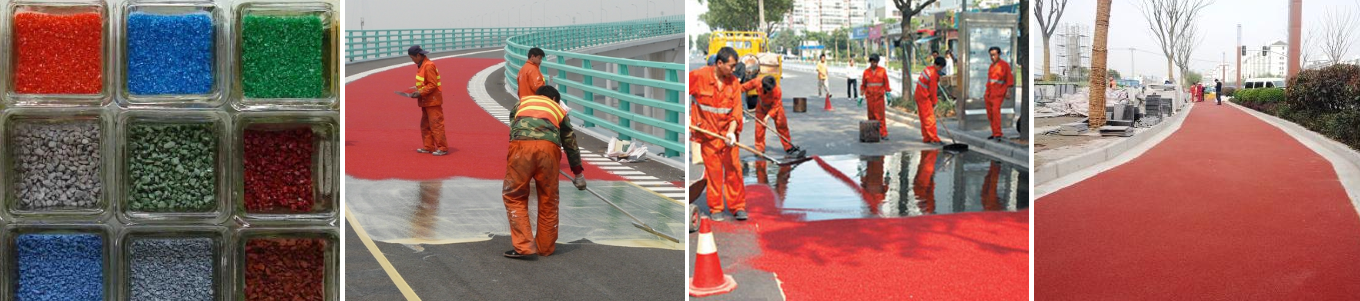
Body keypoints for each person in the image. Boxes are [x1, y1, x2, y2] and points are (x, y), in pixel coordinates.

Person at [501, 85, 586, 259]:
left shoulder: (522, 102)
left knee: (515, 195)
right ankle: (545, 247)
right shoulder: (558, 109)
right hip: (549, 149)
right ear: (555, 99)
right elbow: (570, 143)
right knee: (549, 198)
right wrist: (578, 174)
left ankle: (524, 247)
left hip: (521, 148)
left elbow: (514, 129)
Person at [691, 47, 747, 221]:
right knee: (714, 173)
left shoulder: (734, 83)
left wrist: (731, 132)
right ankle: (716, 208)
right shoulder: (699, 77)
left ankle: (738, 206)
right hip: (708, 135)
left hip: (728, 136)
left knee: (734, 171)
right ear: (719, 63)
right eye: (731, 66)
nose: (733, 70)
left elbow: (736, 111)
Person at [741, 75, 801, 155]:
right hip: (761, 106)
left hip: (775, 107)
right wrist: (734, 95)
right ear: (762, 86)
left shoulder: (777, 90)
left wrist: (768, 116)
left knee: (782, 125)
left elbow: (776, 106)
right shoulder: (757, 81)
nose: (770, 91)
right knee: (759, 128)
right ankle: (759, 149)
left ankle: (788, 147)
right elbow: (744, 87)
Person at [406, 45, 448, 156]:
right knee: (425, 125)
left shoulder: (428, 66)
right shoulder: (423, 65)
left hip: (432, 101)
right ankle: (428, 147)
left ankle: (442, 148)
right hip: (427, 100)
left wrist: (420, 92)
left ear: (418, 55)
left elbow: (432, 84)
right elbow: (426, 83)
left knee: (436, 124)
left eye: (412, 58)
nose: (412, 60)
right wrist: (417, 89)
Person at [913, 57, 947, 144]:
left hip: (919, 96)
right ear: (938, 66)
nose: (940, 70)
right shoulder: (933, 74)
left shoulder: (928, 69)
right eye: (941, 67)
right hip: (924, 97)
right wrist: (934, 102)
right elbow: (933, 91)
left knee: (924, 118)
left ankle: (927, 137)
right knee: (929, 118)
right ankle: (934, 138)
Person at [984, 47, 1014, 140]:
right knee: (990, 114)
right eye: (991, 55)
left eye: (994, 55)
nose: (992, 57)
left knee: (995, 113)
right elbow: (990, 80)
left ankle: (998, 133)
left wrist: (1008, 91)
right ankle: (994, 132)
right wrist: (986, 93)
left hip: (998, 93)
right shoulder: (991, 66)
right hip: (989, 93)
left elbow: (1009, 79)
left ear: (999, 54)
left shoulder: (1004, 65)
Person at [861, 54, 892, 140]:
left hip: (879, 98)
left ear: (877, 62)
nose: (873, 63)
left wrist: (888, 94)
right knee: (871, 116)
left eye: (875, 62)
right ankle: (873, 133)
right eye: (872, 61)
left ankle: (883, 133)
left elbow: (886, 83)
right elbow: (863, 85)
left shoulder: (882, 71)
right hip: (870, 97)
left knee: (880, 116)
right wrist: (860, 96)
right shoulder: (866, 72)